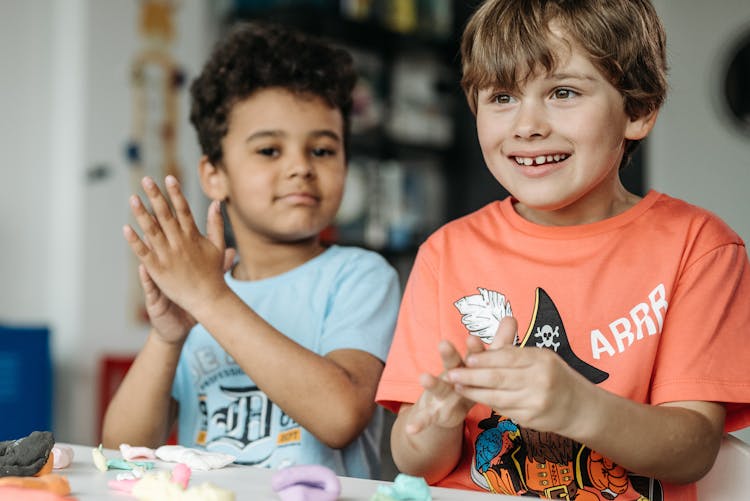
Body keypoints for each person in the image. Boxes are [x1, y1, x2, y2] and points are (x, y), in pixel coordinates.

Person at [375, 0, 750, 499]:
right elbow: (414, 460)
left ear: (637, 111)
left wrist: (577, 406)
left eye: (563, 92)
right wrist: (438, 420)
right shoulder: (446, 253)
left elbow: (694, 450)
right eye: (502, 97)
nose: (527, 124)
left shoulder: (699, 248)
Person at [102, 21, 401, 480]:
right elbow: (124, 451)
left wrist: (210, 299)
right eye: (269, 151)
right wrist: (166, 336)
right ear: (213, 174)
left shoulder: (361, 276)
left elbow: (341, 417)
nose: (300, 167)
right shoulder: (201, 291)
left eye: (322, 150)